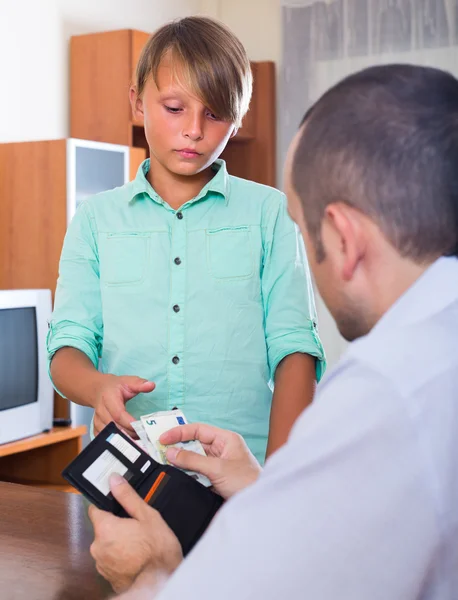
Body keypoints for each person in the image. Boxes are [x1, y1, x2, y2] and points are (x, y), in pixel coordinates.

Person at [89, 63, 458, 598]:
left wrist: (149, 576)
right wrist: (264, 486)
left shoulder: (384, 392)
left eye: (306, 230)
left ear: (343, 238)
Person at [47, 16, 325, 463]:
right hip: (130, 470)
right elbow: (67, 347)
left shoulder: (270, 213)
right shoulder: (94, 220)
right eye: (175, 108)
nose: (194, 129)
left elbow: (295, 351)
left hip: (242, 472)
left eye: (214, 113)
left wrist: (273, 486)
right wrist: (98, 387)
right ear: (138, 104)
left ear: (237, 121)